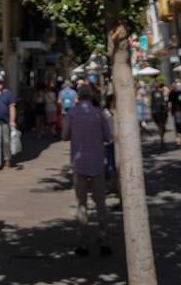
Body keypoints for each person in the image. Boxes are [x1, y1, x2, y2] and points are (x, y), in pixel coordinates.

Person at [62, 83, 113, 257]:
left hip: (79, 163)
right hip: (98, 163)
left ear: (78, 97)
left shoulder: (72, 114)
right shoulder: (99, 114)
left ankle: (82, 243)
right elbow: (109, 137)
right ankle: (104, 241)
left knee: (81, 204)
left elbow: (64, 136)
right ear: (91, 96)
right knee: (101, 204)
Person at [0, 77, 18, 171]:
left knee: (6, 141)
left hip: (5, 122)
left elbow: (12, 107)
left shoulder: (8, 93)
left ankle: (7, 160)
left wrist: (12, 121)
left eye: (1, 82)